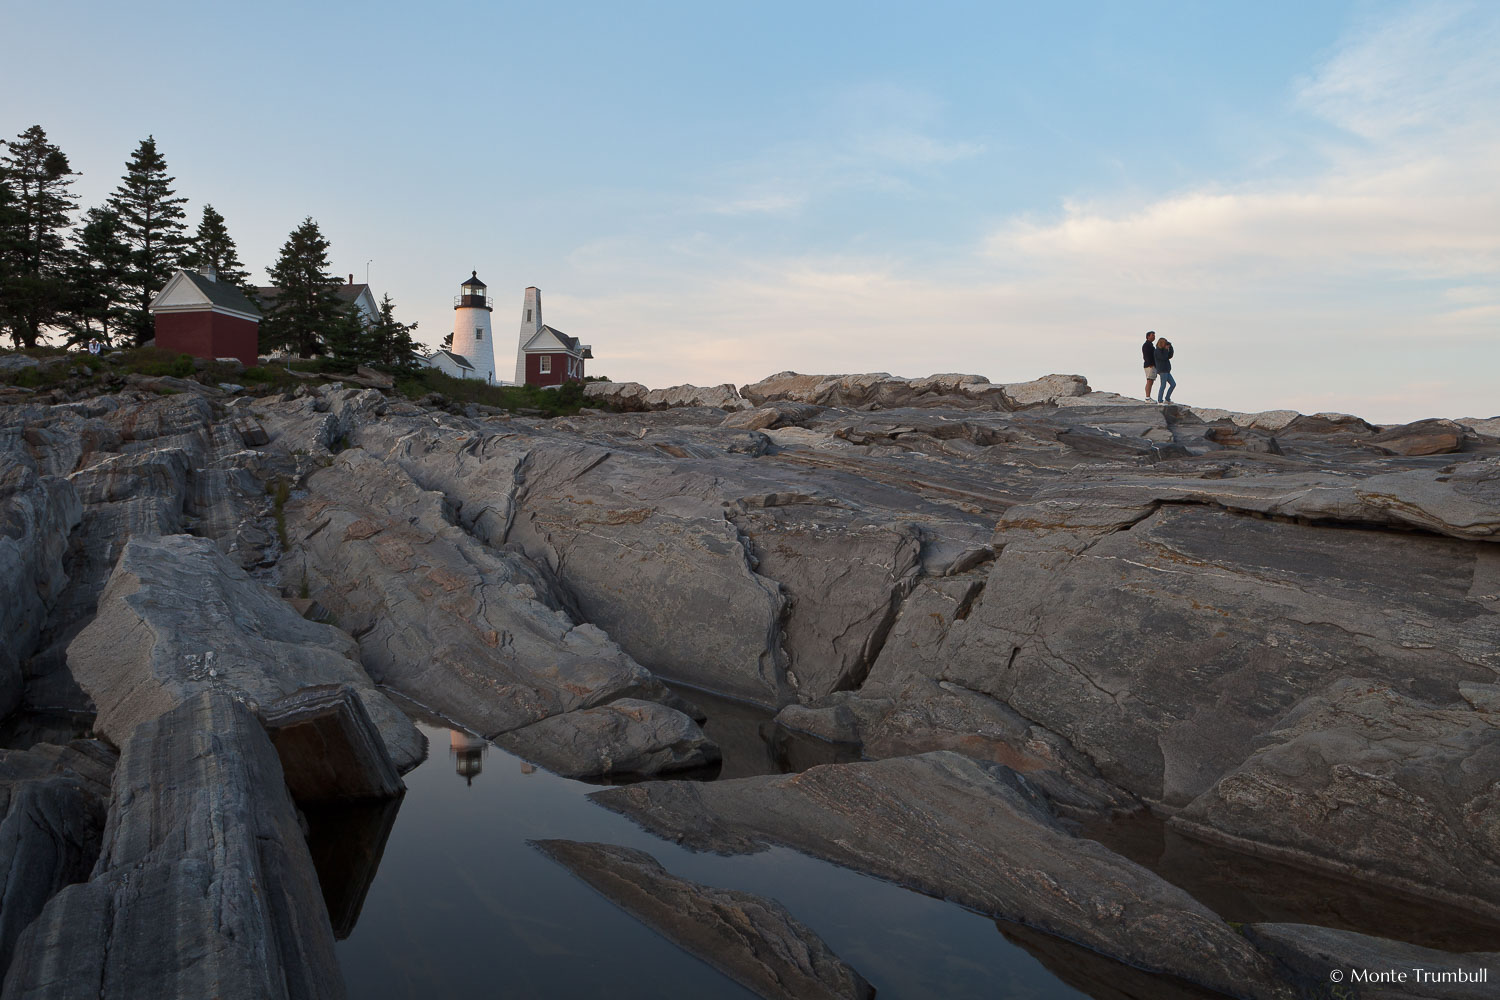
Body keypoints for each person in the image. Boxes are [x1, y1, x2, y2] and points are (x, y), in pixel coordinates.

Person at [1154, 337, 1176, 402]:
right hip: (1162, 370)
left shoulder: (1164, 350)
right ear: (1161, 343)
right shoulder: (1157, 350)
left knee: (1173, 384)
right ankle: (1160, 400)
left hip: (1167, 370)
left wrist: (1170, 347)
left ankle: (1167, 398)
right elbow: (1163, 358)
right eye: (1165, 343)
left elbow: (1169, 356)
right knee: (1163, 385)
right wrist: (1166, 349)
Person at [1141, 331, 1157, 398]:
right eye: (1152, 335)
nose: (1154, 336)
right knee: (1149, 381)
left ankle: (1148, 397)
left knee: (1151, 381)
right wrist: (1150, 363)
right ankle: (1147, 397)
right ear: (1148, 336)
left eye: (1154, 335)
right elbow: (1146, 355)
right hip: (1149, 365)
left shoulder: (1150, 345)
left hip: (1151, 365)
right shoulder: (1146, 345)